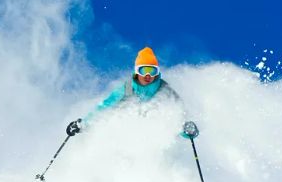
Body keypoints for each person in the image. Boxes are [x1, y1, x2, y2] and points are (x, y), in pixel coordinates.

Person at [66, 46, 197, 138]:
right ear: (136, 71)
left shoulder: (165, 91)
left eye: (152, 71)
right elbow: (105, 107)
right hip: (126, 134)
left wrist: (187, 130)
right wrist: (83, 124)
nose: (147, 75)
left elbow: (178, 117)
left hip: (152, 139)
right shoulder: (128, 88)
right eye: (143, 70)